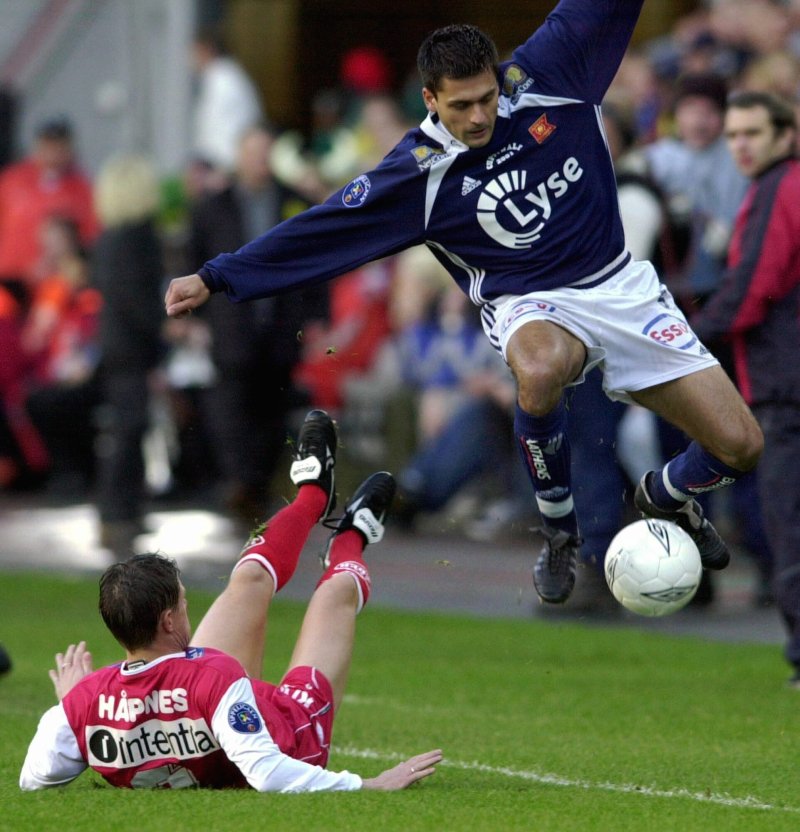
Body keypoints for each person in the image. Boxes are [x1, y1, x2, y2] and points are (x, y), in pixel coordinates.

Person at [165, 0, 764, 607]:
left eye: (487, 98)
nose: (480, 116)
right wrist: (218, 277)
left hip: (621, 288)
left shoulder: (553, 71)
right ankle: (559, 528)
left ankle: (664, 493)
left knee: (741, 445)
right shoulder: (415, 176)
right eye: (461, 106)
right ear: (429, 99)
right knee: (538, 368)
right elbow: (319, 232)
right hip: (529, 303)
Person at [20, 409, 442, 791]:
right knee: (333, 595)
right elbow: (269, 773)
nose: (189, 610)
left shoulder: (86, 698)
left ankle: (313, 495)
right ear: (168, 621)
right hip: (288, 731)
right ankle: (352, 537)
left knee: (249, 576)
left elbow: (33, 779)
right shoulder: (215, 673)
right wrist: (370, 785)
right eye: (183, 603)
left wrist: (74, 712)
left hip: (214, 701)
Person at [691, 91, 800, 686]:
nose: (741, 144)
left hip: (786, 389)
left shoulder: (778, 189)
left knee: (790, 522)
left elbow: (751, 288)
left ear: (786, 135)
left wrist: (684, 342)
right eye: (734, 134)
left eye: (753, 132)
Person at [188, 125, 328, 522]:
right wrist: (192, 316)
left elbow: (317, 262)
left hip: (281, 326)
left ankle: (254, 484)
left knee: (273, 408)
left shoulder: (294, 202)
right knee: (230, 408)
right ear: (239, 155)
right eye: (253, 152)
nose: (259, 161)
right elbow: (192, 261)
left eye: (265, 152)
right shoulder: (212, 207)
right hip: (231, 326)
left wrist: (318, 317)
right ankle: (240, 481)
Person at [90, 155, 166, 555]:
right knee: (129, 429)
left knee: (127, 429)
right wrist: (164, 327)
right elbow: (137, 298)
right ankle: (118, 511)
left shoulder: (106, 239)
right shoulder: (138, 238)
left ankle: (122, 509)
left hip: (115, 344)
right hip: (132, 347)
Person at [0, 118, 99, 292]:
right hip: (11, 278)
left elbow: (90, 238)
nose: (53, 153)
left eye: (59, 147)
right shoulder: (12, 181)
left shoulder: (81, 189)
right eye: (48, 145)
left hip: (57, 284)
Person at [191, 26, 265, 175]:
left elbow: (219, 132)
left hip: (224, 169)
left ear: (205, 49)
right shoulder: (226, 75)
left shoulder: (221, 79)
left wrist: (217, 170)